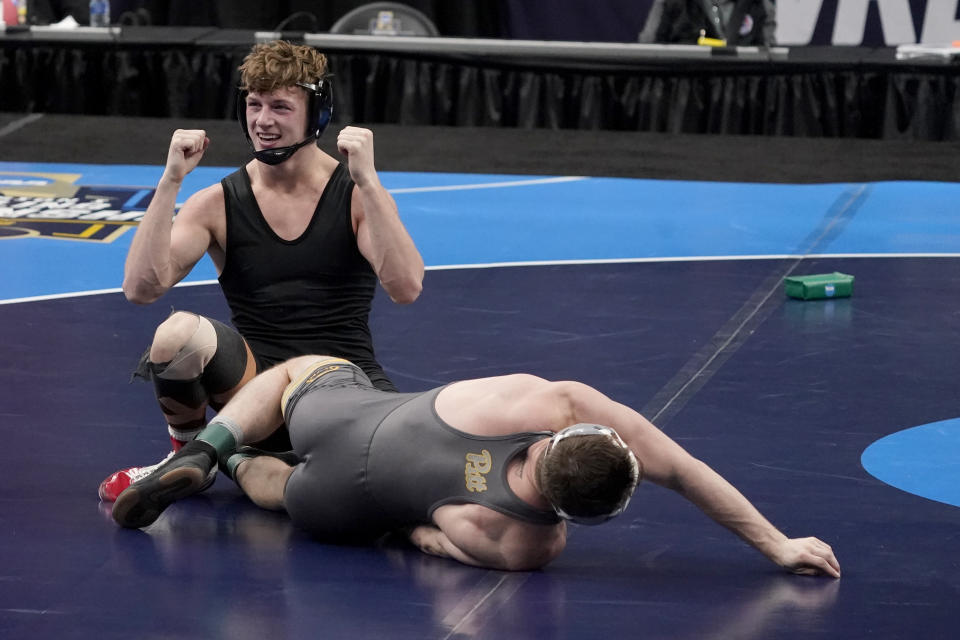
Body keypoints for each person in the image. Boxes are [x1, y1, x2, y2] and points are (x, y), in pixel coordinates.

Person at [112, 355, 841, 577]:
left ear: (565, 436)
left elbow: (681, 465)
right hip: (334, 505)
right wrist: (777, 550)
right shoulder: (530, 542)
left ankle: (207, 447)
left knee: (306, 371)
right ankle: (236, 467)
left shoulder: (549, 400)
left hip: (348, 415)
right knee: (284, 492)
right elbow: (428, 544)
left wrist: (778, 538)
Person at [97, 40, 425, 501]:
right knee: (176, 334)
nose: (263, 121)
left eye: (280, 107)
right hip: (252, 400)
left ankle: (233, 458)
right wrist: (169, 182)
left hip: (343, 386)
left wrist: (369, 183)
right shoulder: (216, 203)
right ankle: (189, 454)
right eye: (254, 105)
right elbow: (141, 288)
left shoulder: (354, 195)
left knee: (390, 483)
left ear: (317, 114)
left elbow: (407, 286)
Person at [639, 0, 777, 47]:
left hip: (739, 97)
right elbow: (647, 52)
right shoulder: (672, 3)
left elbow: (771, 57)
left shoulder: (760, 6)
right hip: (683, 96)